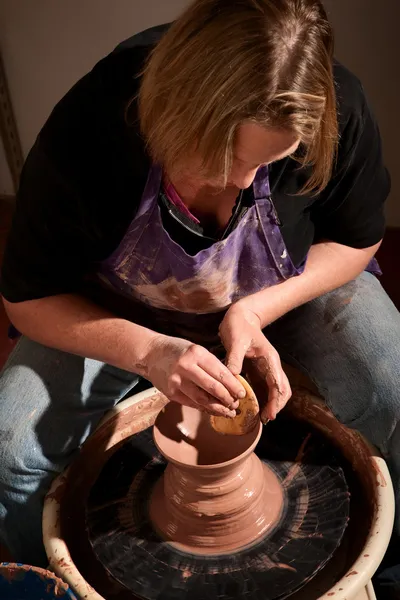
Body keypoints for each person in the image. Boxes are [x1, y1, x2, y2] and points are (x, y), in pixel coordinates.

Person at [0, 0, 398, 592]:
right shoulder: (97, 123)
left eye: (271, 160)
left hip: (280, 296)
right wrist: (149, 353)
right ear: (174, 112)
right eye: (227, 156)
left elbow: (358, 239)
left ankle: (387, 566)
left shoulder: (334, 108)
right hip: (123, 315)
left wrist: (255, 310)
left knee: (390, 381)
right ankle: (65, 585)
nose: (243, 181)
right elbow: (26, 298)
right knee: (10, 449)